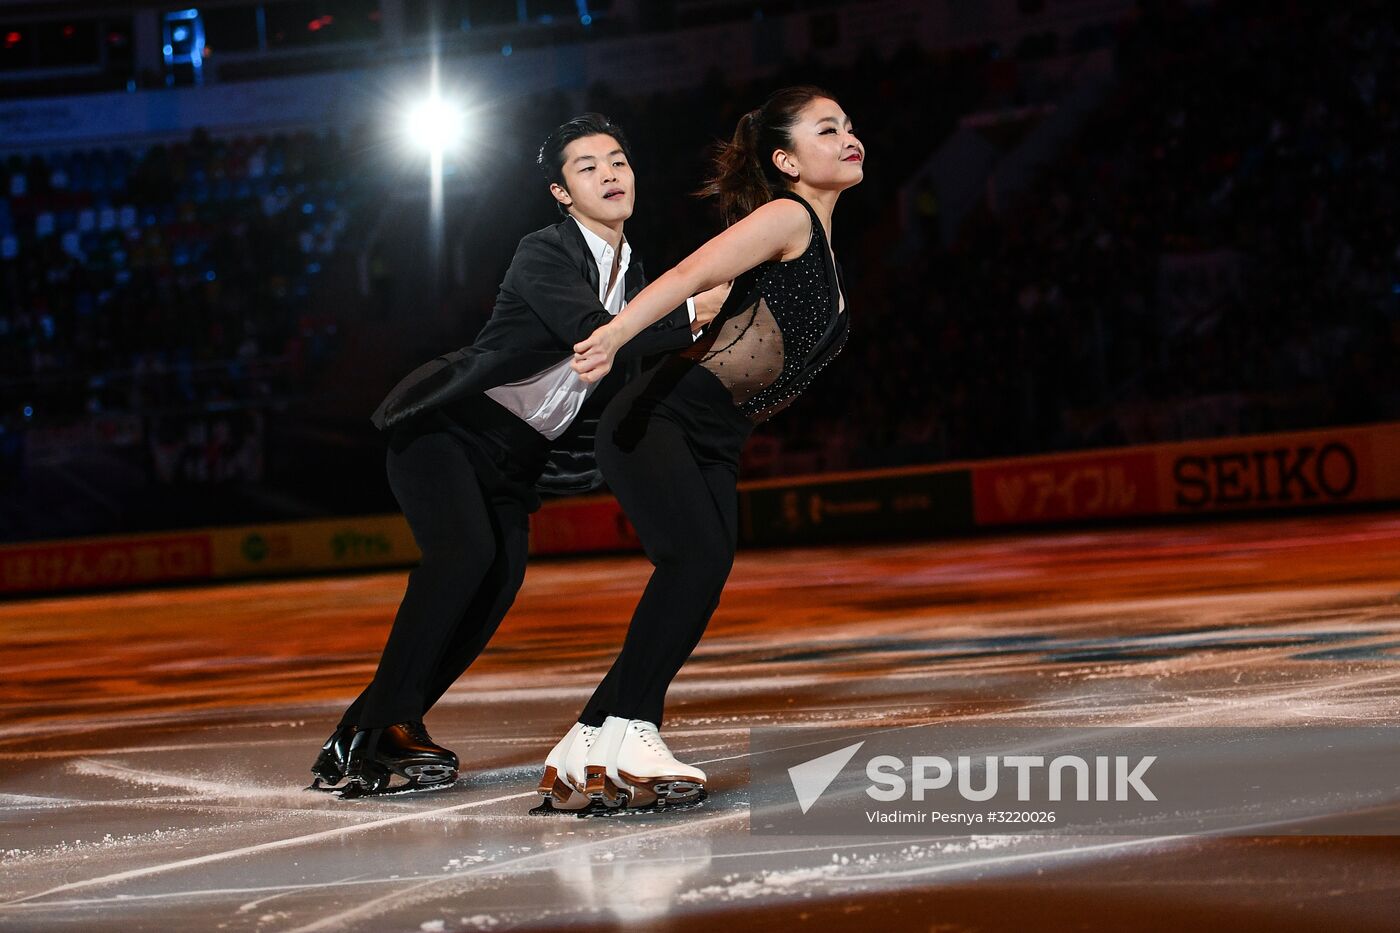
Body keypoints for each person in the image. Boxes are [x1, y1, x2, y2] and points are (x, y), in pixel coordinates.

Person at [309, 113, 729, 796]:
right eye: (587, 167)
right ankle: (384, 729)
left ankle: (362, 730)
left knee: (495, 585)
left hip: (512, 458)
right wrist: (692, 316)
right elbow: (596, 336)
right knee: (463, 557)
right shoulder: (544, 252)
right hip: (447, 433)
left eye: (618, 160)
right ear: (562, 194)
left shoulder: (634, 272)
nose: (610, 174)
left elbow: (620, 378)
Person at [536, 86, 863, 811]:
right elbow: (689, 275)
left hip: (714, 438)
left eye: (849, 126)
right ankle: (633, 728)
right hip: (663, 418)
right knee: (696, 561)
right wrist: (614, 333)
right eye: (827, 128)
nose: (849, 137)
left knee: (701, 570)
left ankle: (587, 740)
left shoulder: (823, 254)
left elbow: (722, 311)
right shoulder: (788, 217)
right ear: (786, 160)